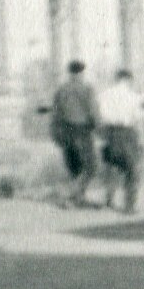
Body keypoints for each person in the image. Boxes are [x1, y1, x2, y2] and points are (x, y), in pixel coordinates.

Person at [47, 59, 99, 207]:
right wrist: (98, 127)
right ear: (81, 73)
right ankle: (72, 197)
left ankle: (78, 199)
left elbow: (55, 114)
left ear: (69, 73)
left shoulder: (61, 90)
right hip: (82, 131)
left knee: (74, 166)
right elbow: (93, 111)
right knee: (90, 166)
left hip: (65, 131)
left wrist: (56, 133)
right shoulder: (87, 89)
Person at [96, 68, 144, 213]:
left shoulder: (104, 95)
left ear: (117, 79)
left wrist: (102, 135)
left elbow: (100, 116)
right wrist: (141, 140)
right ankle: (129, 205)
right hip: (127, 132)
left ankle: (109, 200)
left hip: (110, 132)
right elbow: (137, 119)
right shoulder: (133, 96)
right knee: (132, 169)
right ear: (128, 79)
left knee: (111, 166)